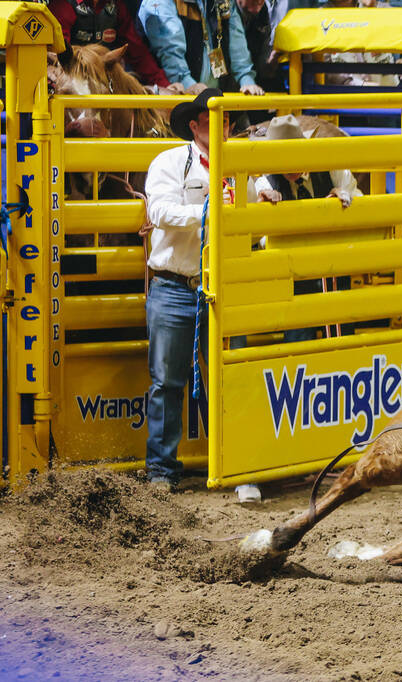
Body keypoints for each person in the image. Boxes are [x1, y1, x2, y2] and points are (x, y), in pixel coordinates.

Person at [144, 89, 271, 500]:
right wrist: (209, 214)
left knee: (227, 377)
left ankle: (235, 468)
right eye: (212, 118)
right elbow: (159, 211)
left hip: (220, 285)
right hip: (176, 284)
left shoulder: (240, 164)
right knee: (167, 381)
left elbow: (255, 205)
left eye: (227, 120)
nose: (222, 126)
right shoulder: (170, 162)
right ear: (195, 124)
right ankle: (162, 469)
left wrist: (266, 197)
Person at [253, 114, 363, 342]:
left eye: (292, 155)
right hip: (293, 273)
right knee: (297, 342)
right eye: (279, 157)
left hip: (333, 266)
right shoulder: (264, 182)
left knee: (340, 341)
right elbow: (261, 238)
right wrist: (267, 212)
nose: (287, 165)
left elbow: (358, 199)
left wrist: (342, 203)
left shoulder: (331, 166)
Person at [48, 0, 180, 92]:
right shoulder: (62, 5)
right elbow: (57, 54)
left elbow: (137, 53)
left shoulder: (116, 6)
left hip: (105, 81)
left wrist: (164, 85)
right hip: (72, 81)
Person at [138, 0, 264, 96]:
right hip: (173, 99)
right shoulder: (160, 3)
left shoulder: (224, 2)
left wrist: (246, 80)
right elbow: (170, 53)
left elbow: (238, 44)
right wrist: (188, 84)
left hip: (215, 99)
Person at [234, 0, 288, 94]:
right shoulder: (225, 10)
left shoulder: (262, 12)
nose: (256, 10)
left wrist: (269, 64)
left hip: (253, 83)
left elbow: (262, 60)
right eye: (253, 2)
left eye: (260, 3)